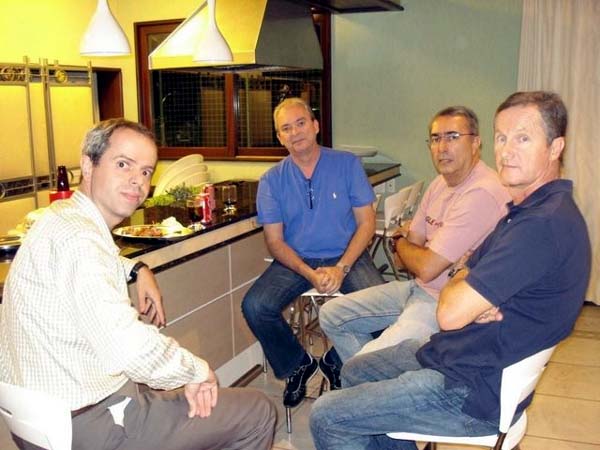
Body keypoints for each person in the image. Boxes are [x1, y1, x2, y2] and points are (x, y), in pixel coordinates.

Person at [309, 91, 591, 450]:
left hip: (472, 391)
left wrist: (464, 285)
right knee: (354, 370)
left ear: (555, 148)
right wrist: (466, 283)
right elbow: (462, 270)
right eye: (502, 138)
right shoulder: (530, 210)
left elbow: (449, 312)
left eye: (523, 138)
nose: (506, 151)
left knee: (326, 415)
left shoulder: (540, 225)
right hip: (463, 354)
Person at [0, 119, 275, 450]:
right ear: (88, 165)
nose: (138, 180)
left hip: (36, 421)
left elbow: (93, 264)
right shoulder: (80, 241)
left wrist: (136, 268)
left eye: (146, 171)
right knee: (257, 411)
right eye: (123, 164)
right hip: (88, 425)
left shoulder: (60, 218)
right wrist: (198, 371)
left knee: (154, 391)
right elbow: (128, 347)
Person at [319, 106, 510, 370]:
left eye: (453, 137)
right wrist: (411, 249)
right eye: (435, 138)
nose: (442, 147)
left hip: (442, 301)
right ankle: (374, 379)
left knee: (363, 363)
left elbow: (425, 265)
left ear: (476, 142)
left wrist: (399, 241)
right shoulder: (440, 183)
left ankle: (367, 375)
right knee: (331, 314)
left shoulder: (482, 193)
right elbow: (404, 262)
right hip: (418, 287)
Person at [242, 97, 384, 408]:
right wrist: (308, 273)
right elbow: (275, 242)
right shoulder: (271, 181)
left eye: (301, 123)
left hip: (347, 255)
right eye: (286, 128)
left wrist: (341, 268)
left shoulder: (346, 165)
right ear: (279, 137)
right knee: (255, 306)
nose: (295, 132)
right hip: (297, 260)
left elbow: (367, 223)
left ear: (315, 125)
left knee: (384, 311)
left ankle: (336, 361)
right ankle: (297, 365)